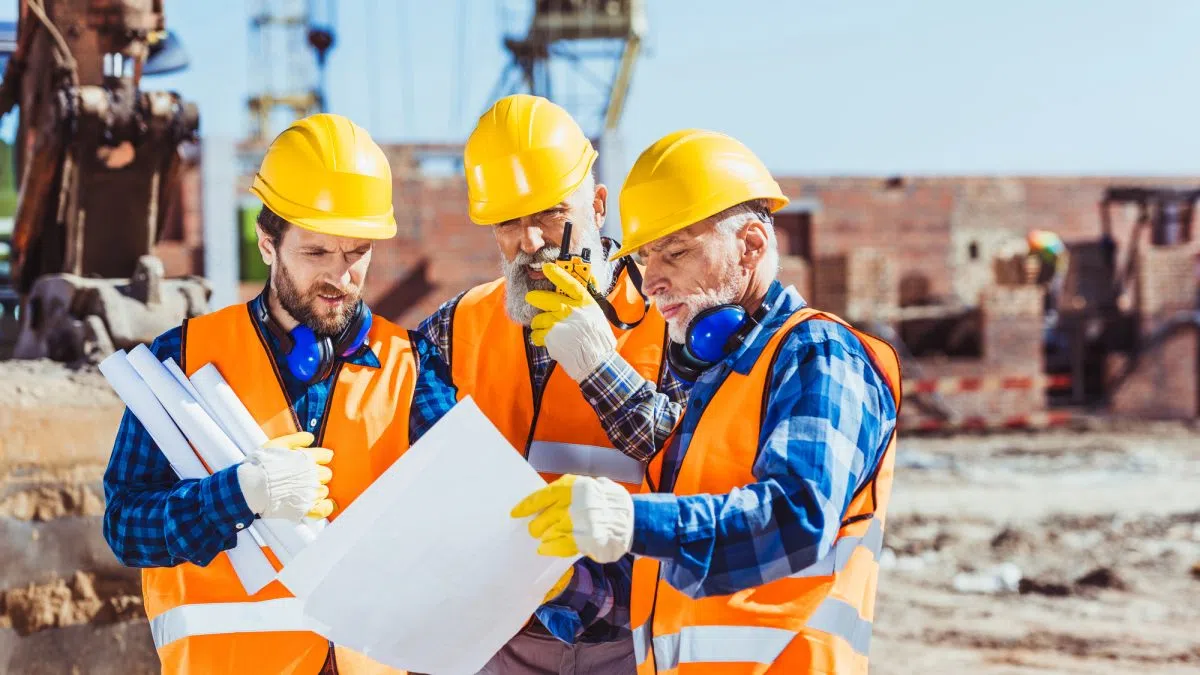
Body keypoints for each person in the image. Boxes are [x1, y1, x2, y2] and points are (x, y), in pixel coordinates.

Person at [510, 129, 903, 674]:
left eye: (676, 252)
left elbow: (797, 517)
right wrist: (564, 580)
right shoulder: (723, 376)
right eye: (646, 257)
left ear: (751, 246)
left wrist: (629, 518)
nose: (652, 282)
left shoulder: (820, 354)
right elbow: (680, 556)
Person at [102, 113, 458, 674]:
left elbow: (460, 508)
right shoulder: (185, 359)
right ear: (267, 244)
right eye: (316, 254)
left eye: (355, 253)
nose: (339, 278)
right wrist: (238, 494)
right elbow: (126, 526)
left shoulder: (413, 367)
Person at [415, 94, 689, 673]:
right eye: (509, 223)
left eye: (549, 214)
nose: (530, 242)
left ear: (597, 205)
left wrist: (600, 366)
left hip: (632, 633)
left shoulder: (672, 316)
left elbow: (699, 462)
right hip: (500, 633)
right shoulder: (457, 325)